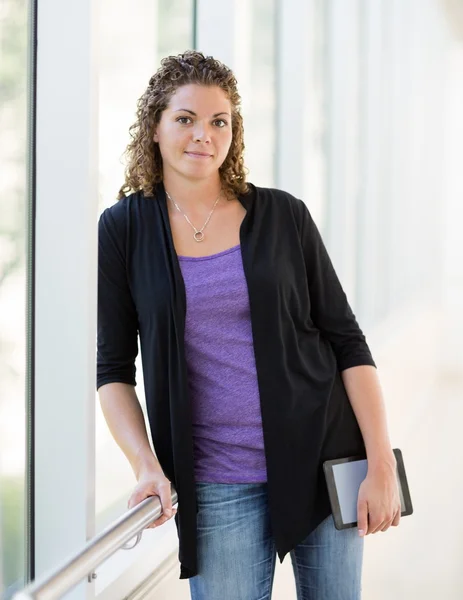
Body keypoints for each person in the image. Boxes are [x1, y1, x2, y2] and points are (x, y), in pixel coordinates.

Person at [97, 50, 401, 600]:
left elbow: (348, 343)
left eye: (220, 121)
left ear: (234, 132)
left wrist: (381, 466)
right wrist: (145, 465)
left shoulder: (285, 216)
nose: (203, 135)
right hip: (217, 481)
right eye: (185, 118)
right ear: (155, 127)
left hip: (325, 458)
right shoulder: (124, 230)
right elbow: (113, 369)